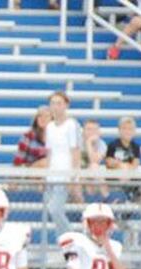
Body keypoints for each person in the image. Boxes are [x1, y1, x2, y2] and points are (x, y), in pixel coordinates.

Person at [43, 91, 82, 241]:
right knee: (52, 211)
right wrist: (46, 175)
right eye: (53, 103)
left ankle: (72, 239)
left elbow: (75, 151)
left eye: (59, 103)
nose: (55, 107)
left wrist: (74, 176)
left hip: (64, 175)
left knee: (55, 209)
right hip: (52, 175)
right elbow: (49, 152)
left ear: (66, 105)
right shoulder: (50, 127)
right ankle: (64, 243)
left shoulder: (71, 125)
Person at [105, 115, 141, 202]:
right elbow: (108, 162)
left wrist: (123, 166)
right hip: (114, 177)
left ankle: (132, 206)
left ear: (134, 131)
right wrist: (121, 166)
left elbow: (135, 165)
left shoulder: (136, 147)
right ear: (119, 130)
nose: (127, 131)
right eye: (124, 128)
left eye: (130, 129)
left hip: (130, 176)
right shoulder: (113, 145)